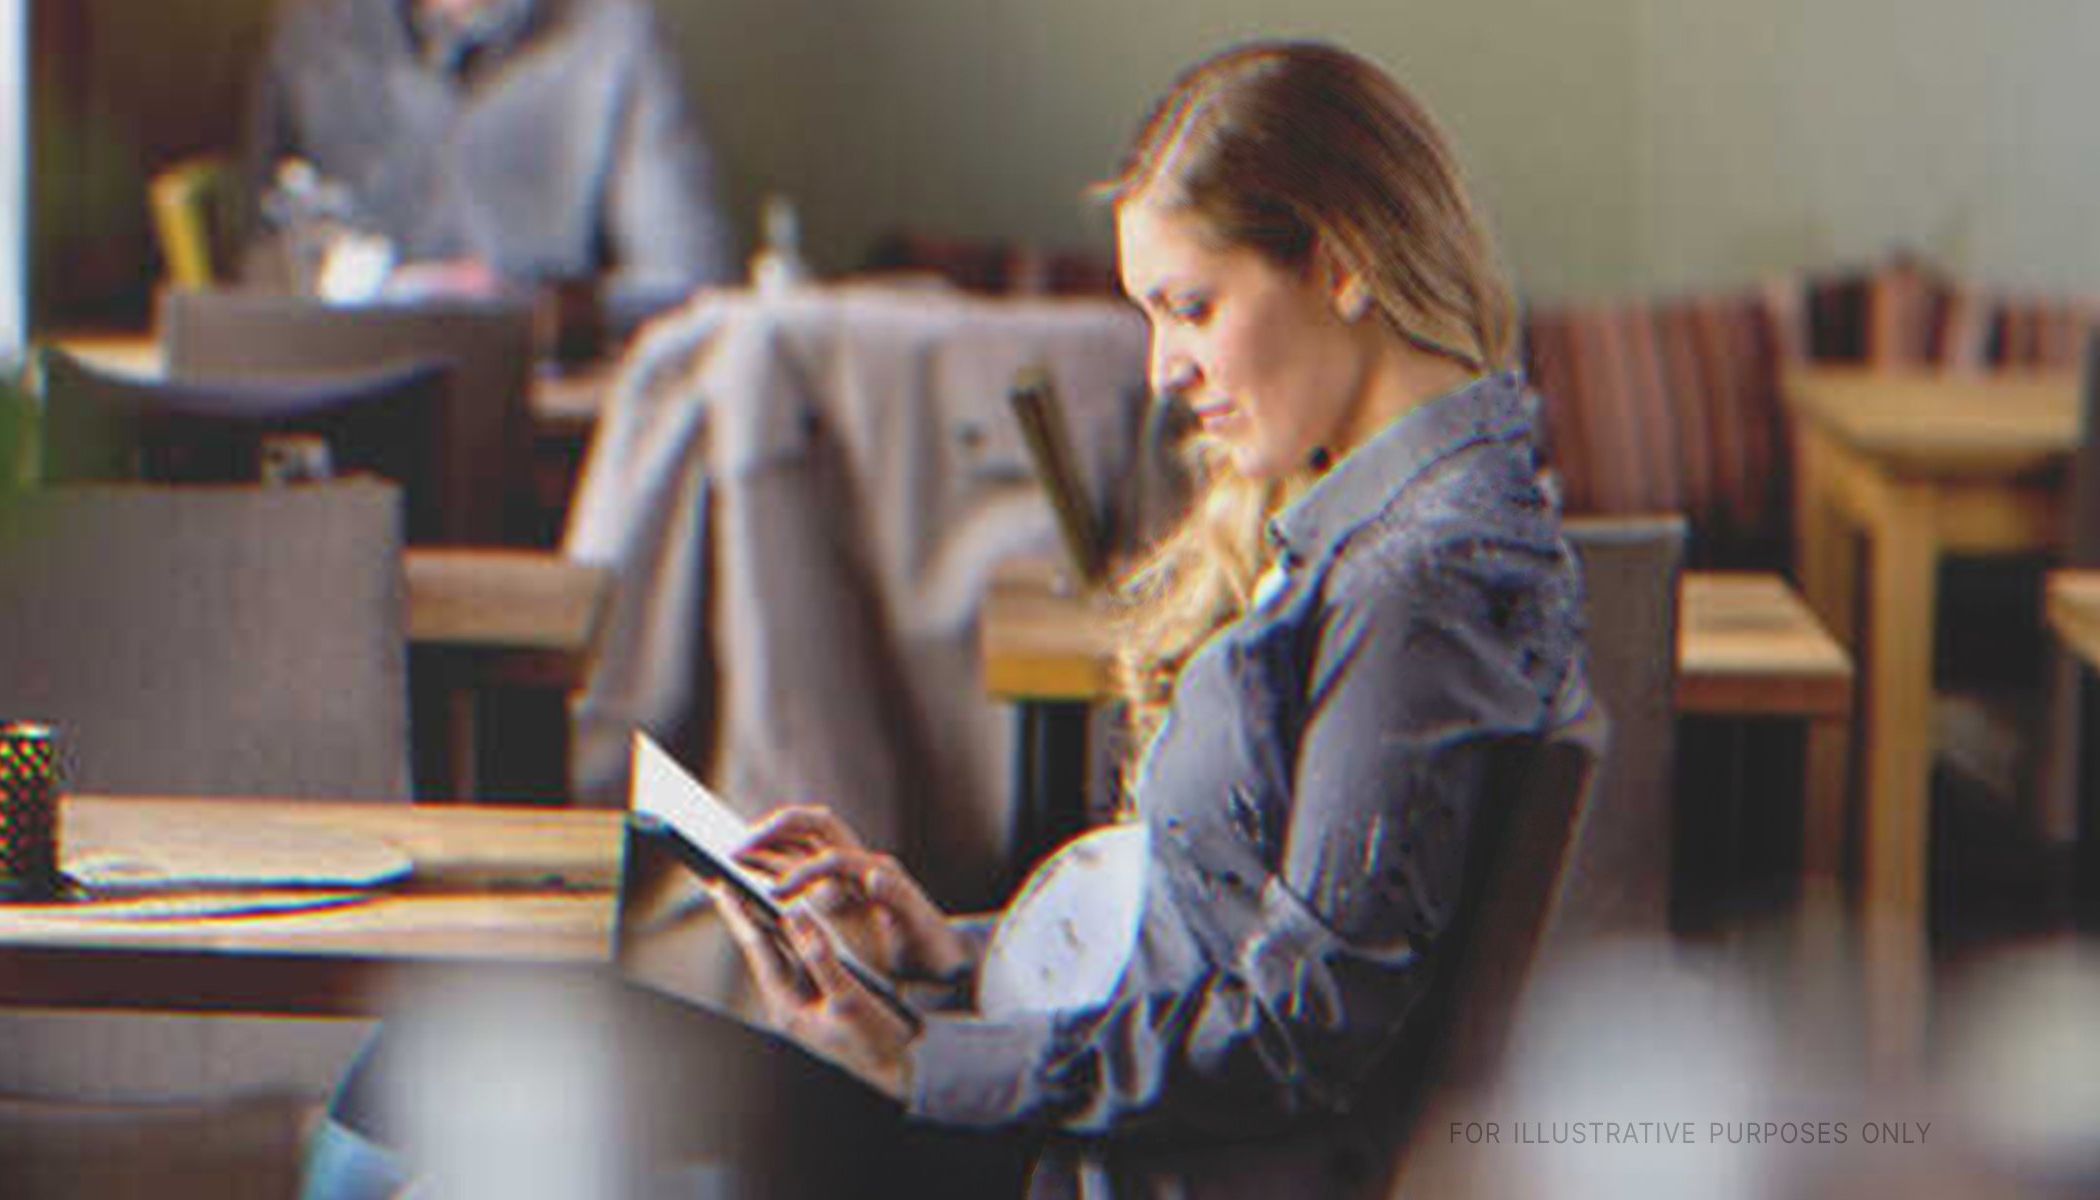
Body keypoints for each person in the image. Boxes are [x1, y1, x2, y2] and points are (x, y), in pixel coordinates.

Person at [298, 39, 1600, 1199]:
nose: (1164, 371)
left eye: (1190, 307)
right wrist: (950, 954)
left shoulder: (1419, 578)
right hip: (1079, 1126)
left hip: (1099, 1163)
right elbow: (1221, 932)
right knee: (441, 1073)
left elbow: (1300, 1035)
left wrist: (928, 1060)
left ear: (1342, 265)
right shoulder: (1398, 529)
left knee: (426, 1068)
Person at [240, 0, 737, 330]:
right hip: (347, 425)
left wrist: (528, 306)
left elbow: (689, 285)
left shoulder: (614, 35)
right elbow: (256, 283)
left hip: (550, 441)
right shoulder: (312, 36)